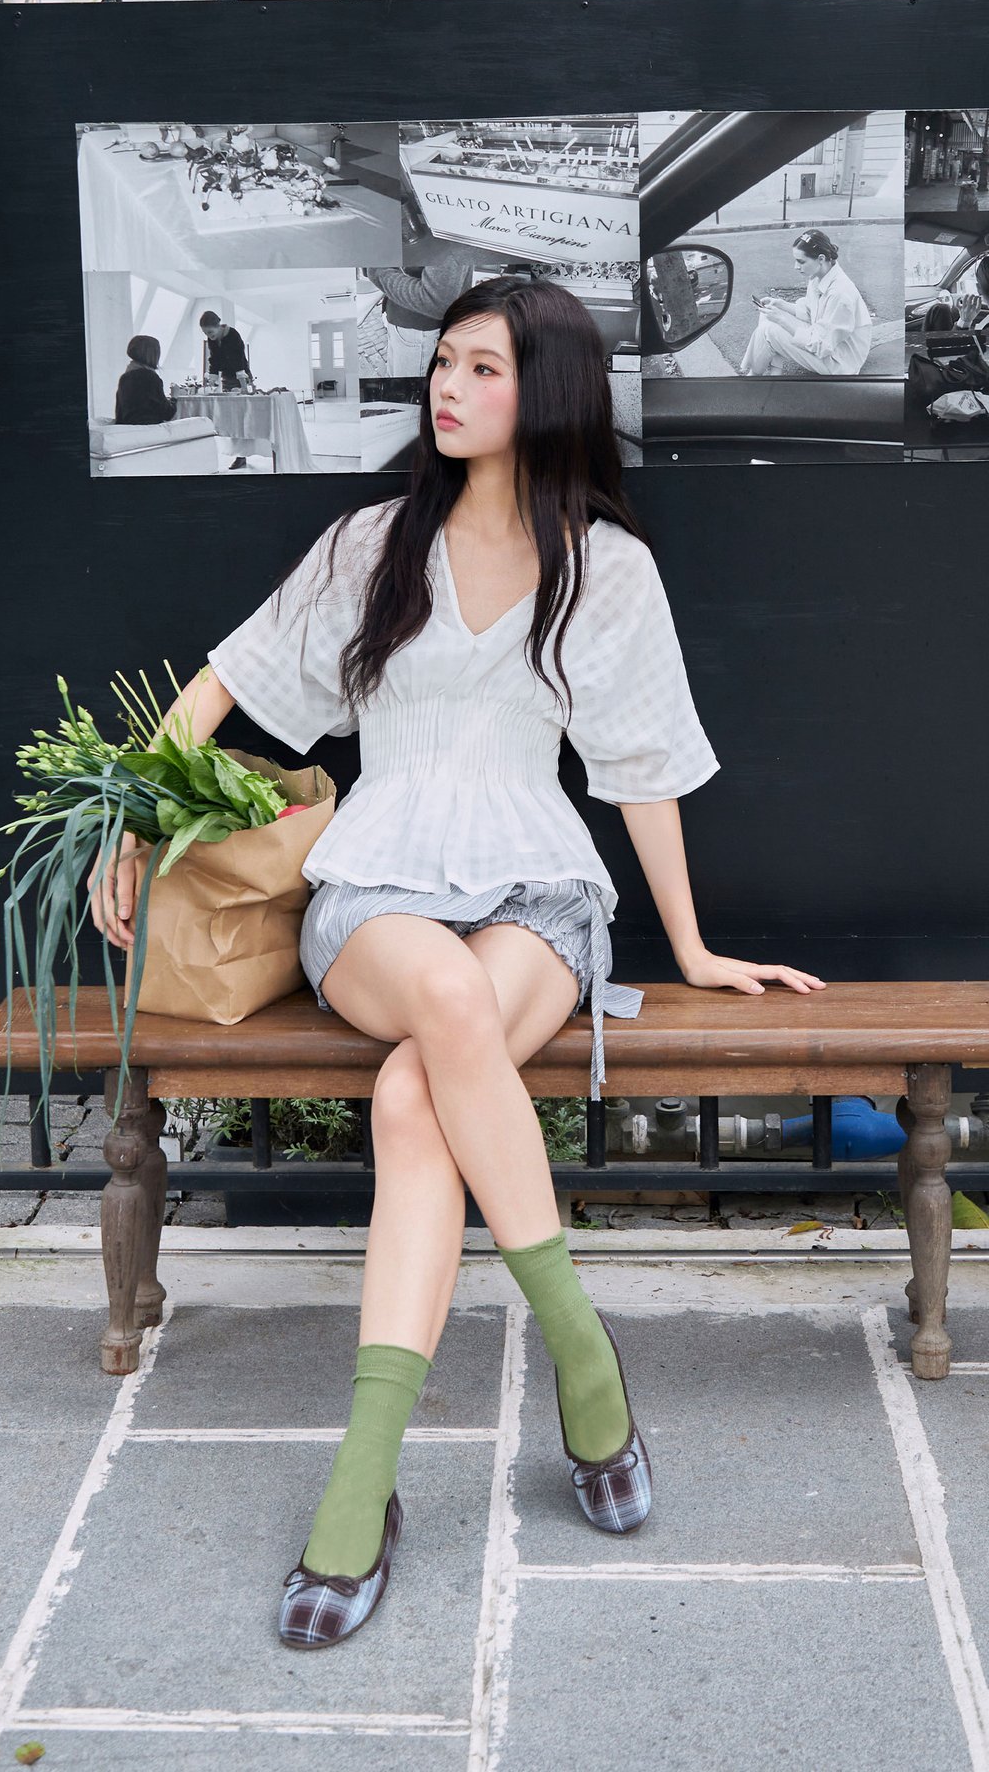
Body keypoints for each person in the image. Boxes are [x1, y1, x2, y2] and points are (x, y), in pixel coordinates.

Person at [90, 275, 827, 1651]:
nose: (448, 385)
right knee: (436, 998)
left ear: (549, 390)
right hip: (372, 892)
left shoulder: (607, 568)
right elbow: (225, 681)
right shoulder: (371, 542)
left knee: (411, 1095)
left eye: (484, 367)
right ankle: (581, 1348)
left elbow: (644, 772)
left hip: (539, 897)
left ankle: (362, 1482)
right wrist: (125, 817)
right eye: (444, 362)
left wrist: (690, 945)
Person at [739, 229, 872, 377]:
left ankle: (753, 377)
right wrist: (780, 304)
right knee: (768, 312)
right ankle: (773, 371)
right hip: (826, 342)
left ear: (821, 259)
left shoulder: (840, 293)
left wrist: (782, 320)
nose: (796, 266)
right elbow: (809, 312)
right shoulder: (819, 275)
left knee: (769, 329)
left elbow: (822, 346)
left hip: (841, 361)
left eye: (801, 261)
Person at [198, 309, 259, 470]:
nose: (209, 336)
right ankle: (239, 454)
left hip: (241, 377)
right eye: (206, 333)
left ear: (218, 326)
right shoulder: (212, 339)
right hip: (227, 378)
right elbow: (214, 360)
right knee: (232, 418)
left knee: (242, 417)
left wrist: (244, 386)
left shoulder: (233, 335)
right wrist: (211, 381)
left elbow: (239, 361)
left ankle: (242, 455)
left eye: (210, 332)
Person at [113, 334, 177, 425]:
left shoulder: (124, 378)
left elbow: (119, 413)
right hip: (149, 429)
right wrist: (174, 397)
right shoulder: (151, 378)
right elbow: (167, 413)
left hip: (128, 429)